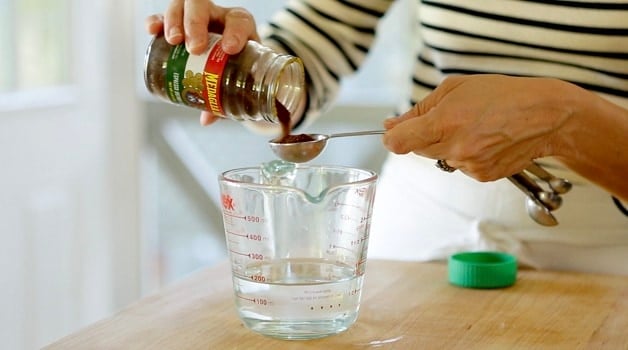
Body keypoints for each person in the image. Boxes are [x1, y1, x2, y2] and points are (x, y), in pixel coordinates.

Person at [146, 1, 628, 275]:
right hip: (417, 235)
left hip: (609, 253)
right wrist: (243, 65)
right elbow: (317, 37)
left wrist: (565, 121)